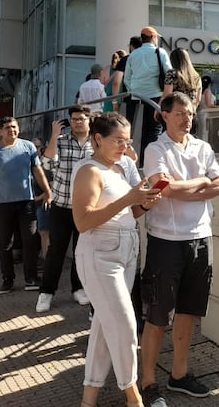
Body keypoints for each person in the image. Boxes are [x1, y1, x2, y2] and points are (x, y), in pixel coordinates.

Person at [139, 92, 219, 404]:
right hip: (165, 241)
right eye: (179, 113)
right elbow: (162, 187)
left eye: (189, 113)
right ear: (165, 115)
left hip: (200, 239)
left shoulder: (203, 147)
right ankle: (148, 382)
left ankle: (179, 374)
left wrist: (183, 190)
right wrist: (200, 184)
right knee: (158, 315)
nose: (186, 119)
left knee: (190, 312)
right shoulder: (155, 149)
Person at [71, 112, 163, 407]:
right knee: (124, 325)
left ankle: (89, 398)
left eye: (128, 141)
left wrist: (143, 204)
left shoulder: (120, 169)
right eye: (118, 141)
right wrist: (129, 200)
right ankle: (132, 396)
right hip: (100, 254)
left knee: (104, 325)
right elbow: (83, 222)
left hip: (125, 251)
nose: (125, 147)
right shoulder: (89, 171)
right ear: (98, 139)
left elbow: (127, 213)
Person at [0, 117, 52, 295]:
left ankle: (31, 278)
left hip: (26, 202)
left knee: (30, 240)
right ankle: (7, 279)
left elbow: (37, 170)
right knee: (5, 244)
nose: (12, 130)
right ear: (0, 131)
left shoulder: (28, 146)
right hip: (1, 204)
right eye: (8, 127)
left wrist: (48, 191)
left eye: (14, 127)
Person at [36, 105, 94, 313]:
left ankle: (78, 288)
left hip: (86, 207)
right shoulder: (60, 142)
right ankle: (46, 292)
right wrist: (53, 135)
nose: (78, 122)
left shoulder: (96, 144)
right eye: (74, 119)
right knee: (56, 251)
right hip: (61, 206)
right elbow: (47, 164)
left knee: (82, 251)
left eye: (81, 118)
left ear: (89, 120)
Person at [123, 26, 173, 163]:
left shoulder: (133, 55)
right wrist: (166, 93)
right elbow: (170, 73)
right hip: (156, 96)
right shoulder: (160, 52)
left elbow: (126, 78)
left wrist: (132, 90)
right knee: (154, 130)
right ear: (153, 37)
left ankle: (134, 161)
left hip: (136, 97)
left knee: (135, 131)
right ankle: (150, 162)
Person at [115, 36, 142, 119]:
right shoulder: (147, 59)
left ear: (131, 46)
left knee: (129, 123)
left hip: (129, 95)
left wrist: (115, 101)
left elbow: (116, 82)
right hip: (147, 95)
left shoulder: (125, 60)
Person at [104, 49, 128, 113]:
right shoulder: (122, 70)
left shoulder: (107, 68)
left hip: (107, 98)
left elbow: (103, 83)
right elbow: (116, 83)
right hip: (118, 98)